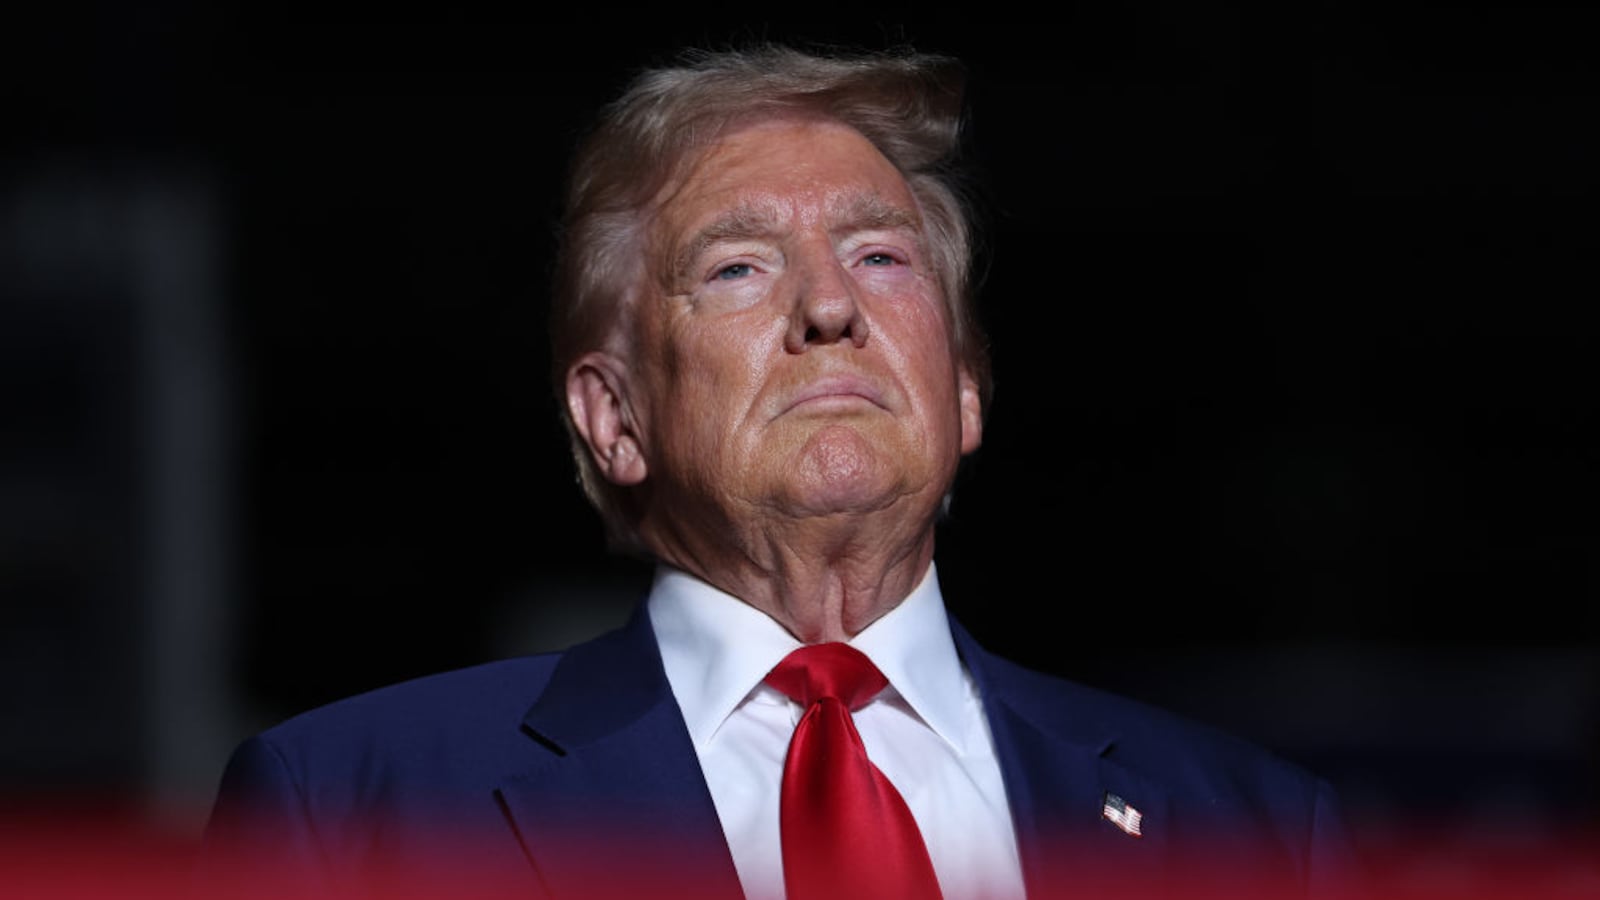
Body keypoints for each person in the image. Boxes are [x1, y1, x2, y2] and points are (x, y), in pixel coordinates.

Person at [203, 44, 1360, 900]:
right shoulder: (352, 809)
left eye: (878, 254)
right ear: (614, 417)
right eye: (740, 267)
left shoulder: (1254, 834)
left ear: (963, 387)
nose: (828, 305)